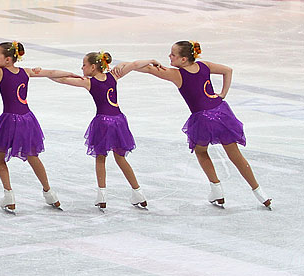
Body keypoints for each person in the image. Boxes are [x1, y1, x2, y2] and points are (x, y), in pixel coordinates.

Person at [113, 41, 272, 209]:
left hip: (202, 119)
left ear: (183, 59)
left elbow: (147, 69)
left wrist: (125, 65)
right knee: (236, 156)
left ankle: (216, 189)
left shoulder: (176, 74)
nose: (169, 57)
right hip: (222, 113)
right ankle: (260, 193)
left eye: (173, 55)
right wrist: (223, 94)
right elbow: (228, 70)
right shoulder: (204, 66)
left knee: (201, 151)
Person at [0, 41, 77, 213]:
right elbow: (52, 72)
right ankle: (49, 193)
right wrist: (71, 73)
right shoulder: (26, 72)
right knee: (33, 156)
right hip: (27, 120)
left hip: (9, 120)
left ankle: (9, 195)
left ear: (8, 60)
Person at [50, 52, 148, 210]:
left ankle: (102, 195)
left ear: (93, 67)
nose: (82, 67)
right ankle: (138, 193)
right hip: (119, 121)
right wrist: (151, 60)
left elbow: (62, 80)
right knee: (121, 158)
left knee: (100, 158)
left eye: (84, 65)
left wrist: (47, 75)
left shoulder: (89, 82)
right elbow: (135, 64)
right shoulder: (113, 77)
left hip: (103, 122)